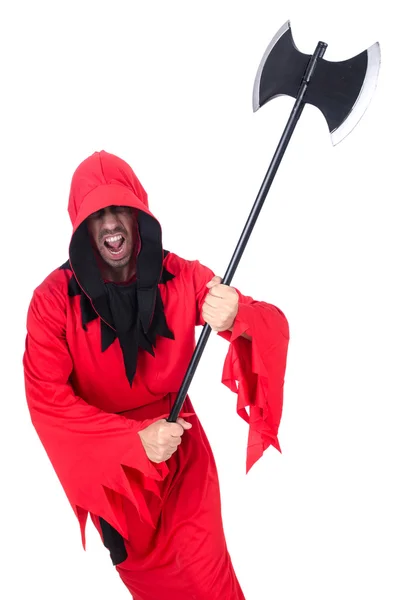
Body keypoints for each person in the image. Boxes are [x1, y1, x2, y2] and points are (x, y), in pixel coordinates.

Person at [23, 150, 289, 600]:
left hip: (182, 462)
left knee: (209, 583)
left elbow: (272, 325)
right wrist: (133, 442)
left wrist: (237, 313)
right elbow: (47, 402)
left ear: (137, 213)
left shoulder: (179, 276)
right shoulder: (52, 302)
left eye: (118, 208)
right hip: (117, 479)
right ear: (82, 225)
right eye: (97, 213)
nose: (110, 223)